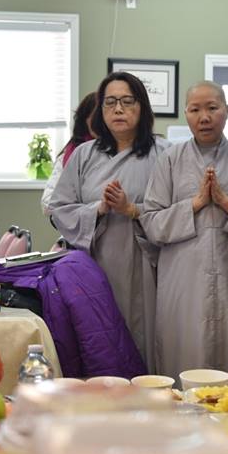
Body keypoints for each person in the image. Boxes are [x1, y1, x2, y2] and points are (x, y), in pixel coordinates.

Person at [141, 81, 228, 375]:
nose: (204, 117)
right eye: (195, 110)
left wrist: (227, 204)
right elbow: (152, 224)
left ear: (227, 110)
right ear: (186, 113)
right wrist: (196, 203)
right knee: (183, 362)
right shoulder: (169, 160)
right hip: (182, 283)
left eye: (212, 108)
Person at [48, 74, 169, 371]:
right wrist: (98, 209)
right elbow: (59, 208)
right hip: (95, 265)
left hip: (146, 265)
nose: (118, 109)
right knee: (98, 340)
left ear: (142, 107)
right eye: (110, 102)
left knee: (143, 339)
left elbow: (176, 211)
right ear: (100, 110)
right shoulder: (83, 155)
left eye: (127, 101)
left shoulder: (164, 153)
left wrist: (132, 209)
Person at [41, 92, 97, 216]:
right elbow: (48, 203)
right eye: (95, 118)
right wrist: (91, 210)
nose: (100, 123)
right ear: (85, 120)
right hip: (77, 225)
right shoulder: (70, 155)